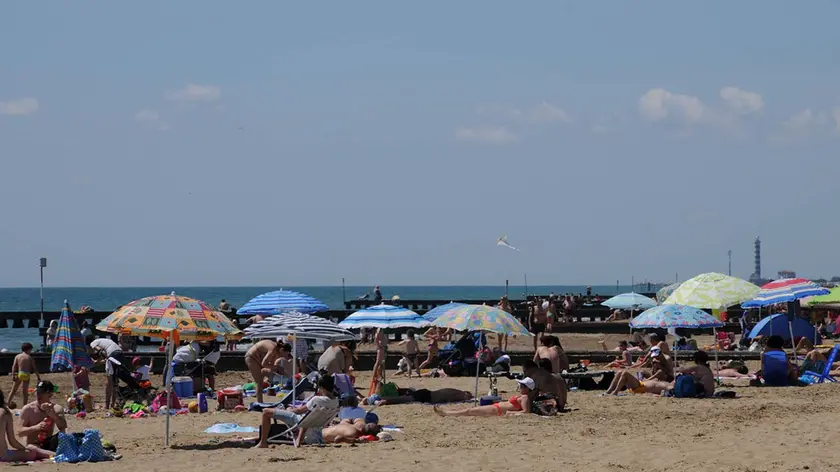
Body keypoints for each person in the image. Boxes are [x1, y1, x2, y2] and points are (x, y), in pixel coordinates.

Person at [254, 376, 339, 448]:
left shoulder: (317, 399)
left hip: (299, 420)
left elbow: (298, 410)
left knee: (266, 412)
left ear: (322, 387)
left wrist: (288, 410)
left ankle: (263, 442)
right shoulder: (336, 401)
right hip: (316, 425)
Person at [433, 377, 536, 417]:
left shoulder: (525, 397)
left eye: (522, 385)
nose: (520, 387)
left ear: (527, 388)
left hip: (497, 410)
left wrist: (511, 413)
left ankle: (446, 413)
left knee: (470, 411)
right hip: (497, 408)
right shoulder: (523, 396)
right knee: (471, 411)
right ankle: (447, 413)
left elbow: (526, 412)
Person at [0, 391, 53, 463]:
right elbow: (12, 441)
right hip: (3, 455)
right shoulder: (5, 413)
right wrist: (23, 448)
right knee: (31, 452)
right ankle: (57, 455)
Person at [18, 381, 67, 452]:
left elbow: (63, 428)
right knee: (31, 448)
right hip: (33, 444)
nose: (38, 395)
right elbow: (19, 432)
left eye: (42, 392)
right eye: (37, 392)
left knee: (63, 436)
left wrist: (54, 416)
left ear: (50, 393)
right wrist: (35, 427)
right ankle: (52, 454)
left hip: (48, 443)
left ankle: (48, 453)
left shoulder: (56, 408)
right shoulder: (28, 409)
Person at [244, 339, 289, 404]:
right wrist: (277, 368)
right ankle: (260, 403)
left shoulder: (277, 351)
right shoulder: (273, 349)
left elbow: (270, 365)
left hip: (259, 358)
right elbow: (264, 364)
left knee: (262, 378)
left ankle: (258, 395)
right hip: (252, 358)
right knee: (259, 382)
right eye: (283, 355)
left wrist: (278, 370)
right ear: (282, 350)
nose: (282, 357)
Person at [88, 336, 125, 410]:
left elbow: (101, 351)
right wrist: (97, 361)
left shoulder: (93, 343)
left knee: (109, 383)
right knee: (115, 382)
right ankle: (113, 404)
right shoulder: (105, 341)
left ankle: (107, 406)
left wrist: (95, 361)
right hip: (120, 354)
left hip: (112, 354)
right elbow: (106, 359)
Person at [368, 388, 473, 405]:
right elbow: (449, 400)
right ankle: (383, 401)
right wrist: (463, 400)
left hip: (426, 393)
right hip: (426, 396)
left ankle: (382, 398)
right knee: (403, 400)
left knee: (404, 398)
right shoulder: (459, 395)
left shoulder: (456, 391)